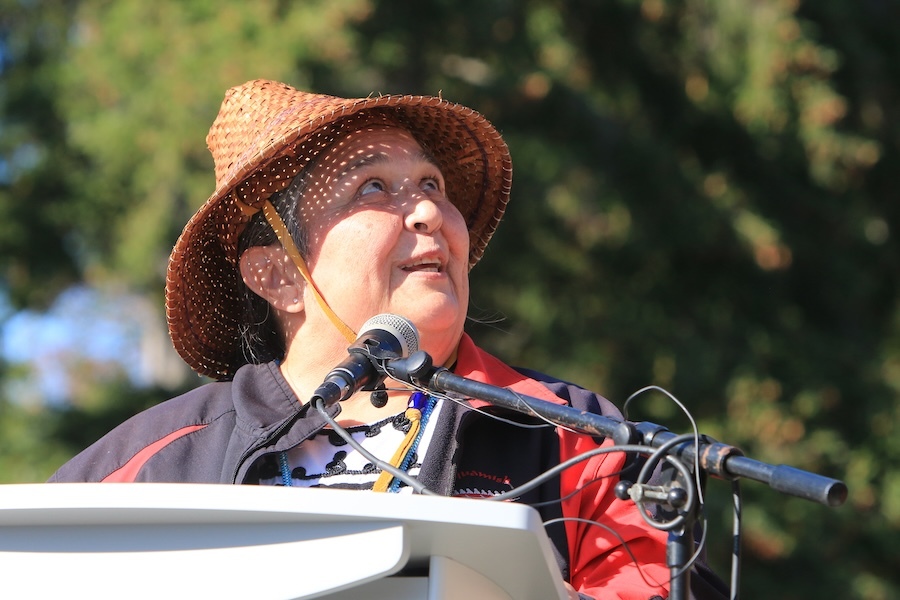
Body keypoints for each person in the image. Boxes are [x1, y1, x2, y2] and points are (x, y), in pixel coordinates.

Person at [51, 79, 724, 599]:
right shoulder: (154, 465)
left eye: (431, 185)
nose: (430, 210)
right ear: (277, 273)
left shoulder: (578, 439)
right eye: (374, 187)